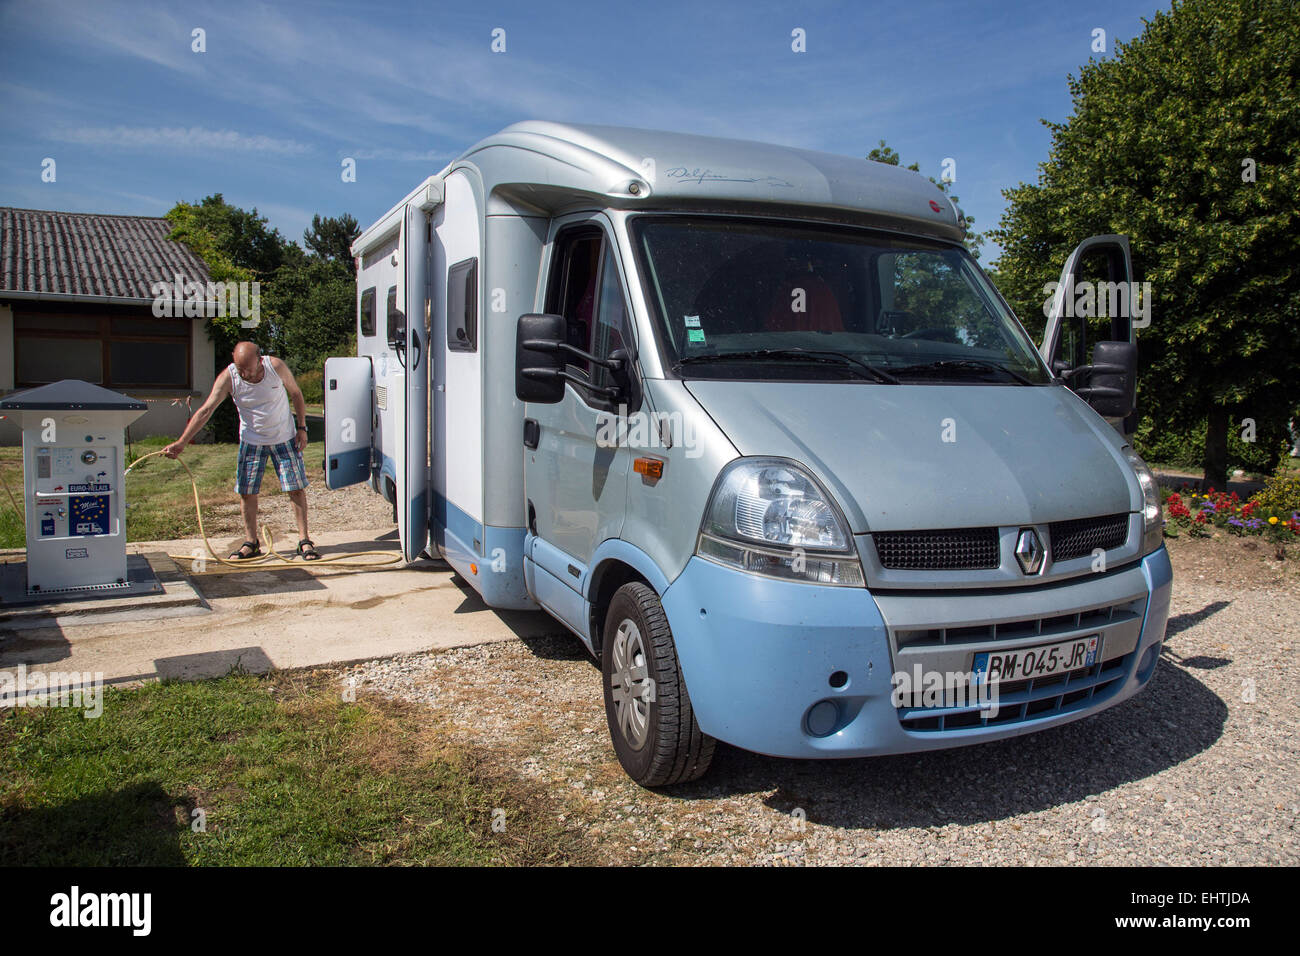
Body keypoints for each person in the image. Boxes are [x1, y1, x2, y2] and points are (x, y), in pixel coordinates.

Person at [163, 342, 319, 560]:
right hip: (251, 441)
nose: (245, 373)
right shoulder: (229, 376)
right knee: (247, 491)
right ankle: (252, 542)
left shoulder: (276, 367)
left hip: (284, 437)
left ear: (260, 359)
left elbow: (296, 394)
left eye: (249, 368)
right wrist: (181, 442)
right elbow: (206, 410)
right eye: (240, 368)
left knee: (295, 488)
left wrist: (301, 428)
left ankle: (304, 540)